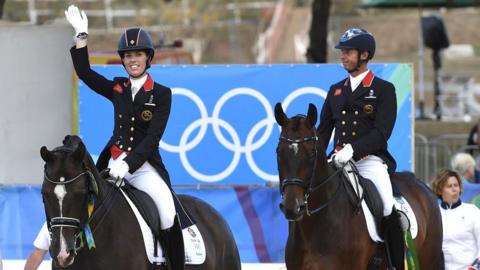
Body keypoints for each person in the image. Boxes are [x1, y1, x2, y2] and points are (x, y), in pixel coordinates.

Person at [63, 4, 179, 266]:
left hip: (144, 167)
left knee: (168, 212)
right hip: (113, 165)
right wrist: (81, 37)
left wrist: (129, 164)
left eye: (138, 54)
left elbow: (152, 139)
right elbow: (85, 73)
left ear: (148, 58)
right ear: (123, 60)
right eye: (127, 55)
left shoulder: (161, 94)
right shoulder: (117, 87)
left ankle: (173, 264)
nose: (132, 59)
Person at [316, 28, 403, 269]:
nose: (342, 56)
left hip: (369, 161)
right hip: (338, 162)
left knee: (387, 206)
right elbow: (323, 132)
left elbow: (381, 133)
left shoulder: (384, 89)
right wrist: (315, 162)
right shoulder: (335, 90)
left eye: (347, 52)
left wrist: (352, 150)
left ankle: (395, 264)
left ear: (364, 55)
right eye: (341, 52)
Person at [431, 169, 480, 270]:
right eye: (449, 186)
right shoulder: (435, 215)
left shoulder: (472, 211)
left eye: (456, 185)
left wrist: (475, 267)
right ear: (440, 190)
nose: (454, 189)